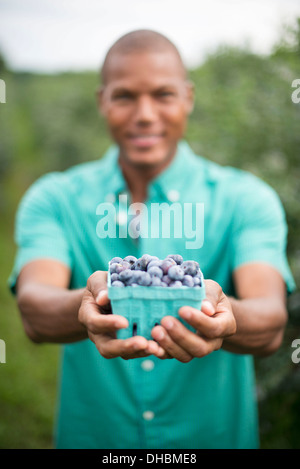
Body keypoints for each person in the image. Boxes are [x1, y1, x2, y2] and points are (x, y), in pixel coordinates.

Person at [9, 29, 295, 449]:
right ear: (102, 101)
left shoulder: (246, 200)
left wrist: (223, 315)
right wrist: (90, 304)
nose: (144, 114)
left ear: (188, 98)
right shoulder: (55, 199)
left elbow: (270, 321)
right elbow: (34, 309)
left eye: (163, 94)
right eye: (125, 96)